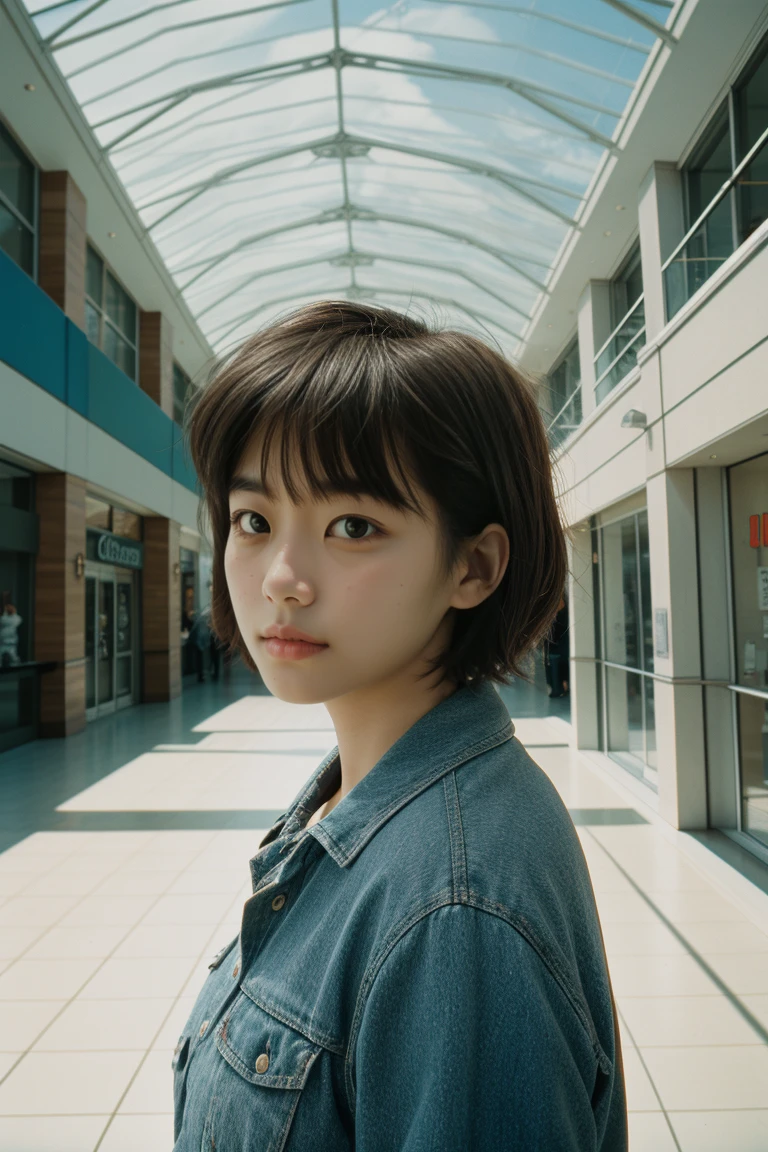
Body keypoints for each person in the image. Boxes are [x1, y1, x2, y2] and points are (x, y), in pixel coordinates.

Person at [172, 302, 627, 1150]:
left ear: (473, 565)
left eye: (353, 527)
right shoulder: (357, 804)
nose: (283, 578)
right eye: (254, 520)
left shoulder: (456, 908)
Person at [545, 593, 570, 698]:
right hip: (559, 646)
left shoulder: (559, 616)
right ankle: (560, 688)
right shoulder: (564, 614)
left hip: (556, 646)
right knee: (560, 668)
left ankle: (557, 689)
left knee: (556, 668)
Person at [0, 602, 23, 666]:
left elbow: (16, 620)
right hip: (2, 643)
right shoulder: (3, 619)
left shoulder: (16, 619)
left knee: (14, 659)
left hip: (11, 643)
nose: (9, 609)